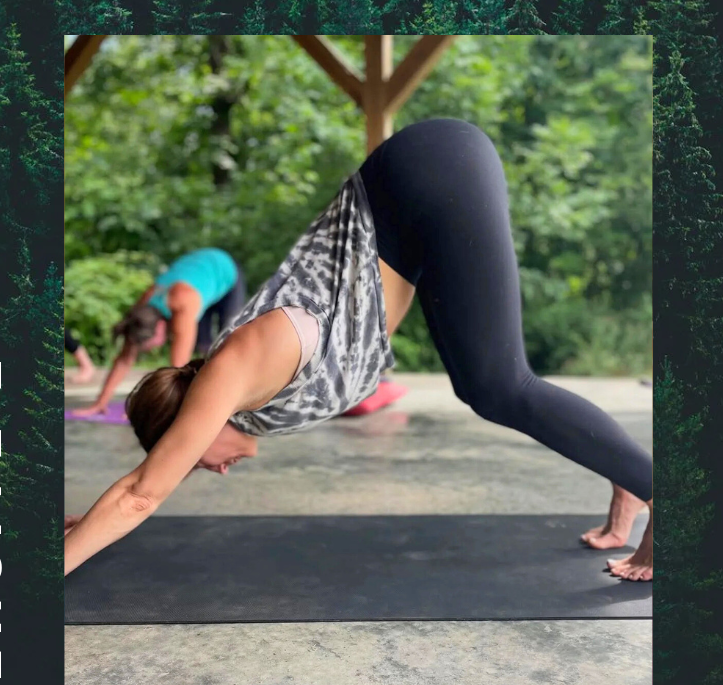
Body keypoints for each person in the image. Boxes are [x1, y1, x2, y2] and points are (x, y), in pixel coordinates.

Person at [65, 120, 653, 580]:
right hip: (416, 212)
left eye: (196, 459)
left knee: (502, 385)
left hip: (429, 172)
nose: (215, 468)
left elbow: (142, 493)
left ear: (190, 419)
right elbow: (140, 486)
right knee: (480, 388)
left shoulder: (234, 368)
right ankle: (624, 476)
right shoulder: (249, 401)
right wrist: (85, 527)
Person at [70, 247, 246, 417]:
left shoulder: (183, 307)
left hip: (225, 271)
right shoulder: (142, 311)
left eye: (149, 344)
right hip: (199, 274)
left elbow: (178, 369)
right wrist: (100, 402)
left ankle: (237, 402)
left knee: (228, 346)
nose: (150, 350)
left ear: (161, 326)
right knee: (204, 347)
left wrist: (164, 413)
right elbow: (124, 359)